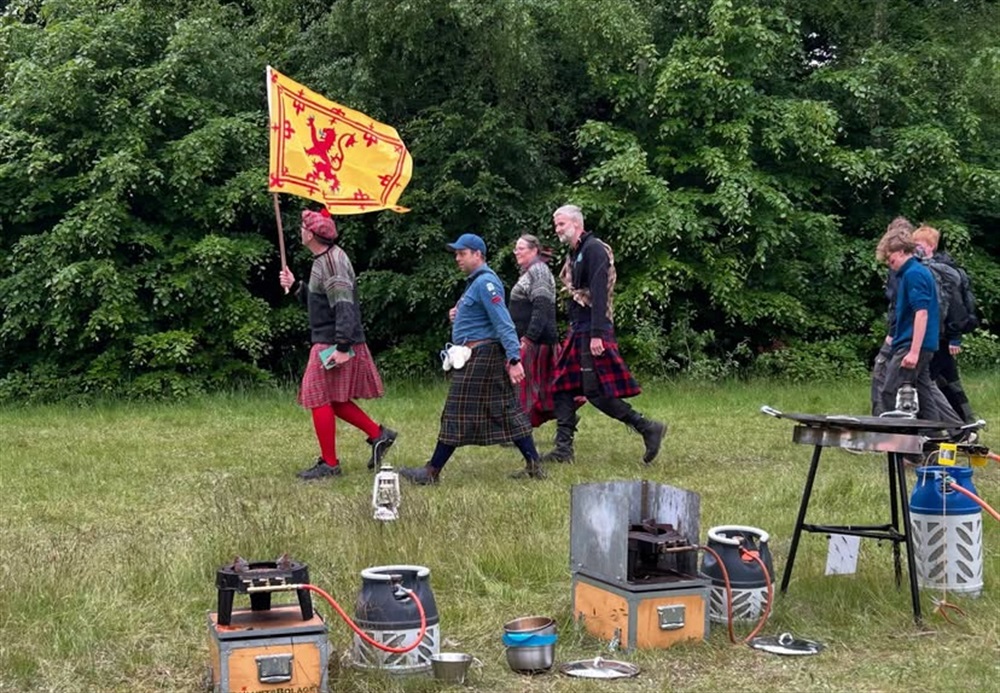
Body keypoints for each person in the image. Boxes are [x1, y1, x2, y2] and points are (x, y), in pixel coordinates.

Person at [399, 233, 544, 484]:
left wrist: (514, 358)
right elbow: (481, 317)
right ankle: (534, 465)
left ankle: (431, 472)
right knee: (506, 410)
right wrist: (458, 316)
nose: (458, 258)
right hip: (479, 354)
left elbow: (503, 321)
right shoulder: (474, 283)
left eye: (462, 253)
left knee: (456, 411)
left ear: (478, 254)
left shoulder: (486, 282)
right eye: (456, 254)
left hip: (482, 355)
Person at [542, 205, 666, 464]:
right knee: (562, 386)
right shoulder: (576, 252)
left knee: (595, 393)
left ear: (576, 224)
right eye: (556, 225)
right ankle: (563, 450)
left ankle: (647, 427)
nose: (557, 229)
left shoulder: (594, 249)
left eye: (561, 224)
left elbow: (600, 293)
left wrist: (597, 334)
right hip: (579, 328)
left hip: (592, 329)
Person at [279, 209, 397, 480]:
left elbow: (344, 306)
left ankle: (330, 465)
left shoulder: (332, 263)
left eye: (302, 228)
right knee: (331, 399)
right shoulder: (324, 259)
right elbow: (320, 302)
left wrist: (343, 347)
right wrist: (296, 286)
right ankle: (379, 435)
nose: (300, 231)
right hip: (330, 339)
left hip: (332, 342)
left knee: (317, 396)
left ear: (311, 234)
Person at [873, 224, 953, 421]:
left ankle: (893, 435)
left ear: (901, 251)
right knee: (925, 392)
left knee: (889, 390)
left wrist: (914, 351)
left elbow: (922, 313)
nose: (889, 264)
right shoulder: (912, 272)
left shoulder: (914, 274)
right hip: (918, 343)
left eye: (891, 259)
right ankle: (934, 434)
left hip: (912, 344)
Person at [912, 225, 977, 423]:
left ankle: (955, 424)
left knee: (933, 381)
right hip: (934, 334)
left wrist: (955, 336)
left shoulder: (940, 272)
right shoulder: (924, 268)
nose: (915, 248)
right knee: (944, 380)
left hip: (941, 336)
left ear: (931, 246)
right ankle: (963, 422)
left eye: (919, 244)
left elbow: (954, 305)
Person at [510, 234, 559, 427]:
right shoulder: (530, 272)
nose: (516, 252)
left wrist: (529, 339)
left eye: (521, 248)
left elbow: (542, 307)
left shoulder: (538, 271)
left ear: (534, 250)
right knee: (542, 390)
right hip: (534, 340)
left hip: (537, 342)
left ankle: (520, 429)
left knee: (527, 389)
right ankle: (565, 420)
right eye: (516, 248)